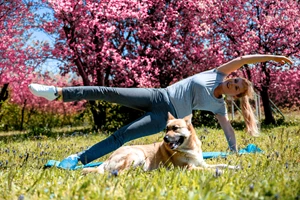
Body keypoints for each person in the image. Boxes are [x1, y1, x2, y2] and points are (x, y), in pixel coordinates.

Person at [28, 54, 292, 169]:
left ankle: (79, 158)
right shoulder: (217, 73)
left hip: (163, 117)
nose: (231, 82)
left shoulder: (218, 106)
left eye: (236, 87)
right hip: (157, 94)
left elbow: (227, 128)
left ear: (235, 95)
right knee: (108, 91)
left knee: (121, 137)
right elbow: (245, 59)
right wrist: (271, 58)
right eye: (235, 80)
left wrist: (234, 150)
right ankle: (57, 92)